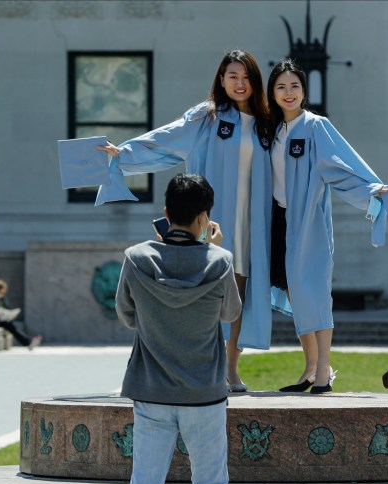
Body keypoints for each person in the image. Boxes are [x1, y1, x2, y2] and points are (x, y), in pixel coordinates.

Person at [97, 49, 273, 393]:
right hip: (211, 216)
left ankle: (231, 370)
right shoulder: (206, 117)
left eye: (246, 76)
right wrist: (126, 152)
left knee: (239, 291)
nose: (240, 83)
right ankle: (207, 367)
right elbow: (166, 137)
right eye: (232, 76)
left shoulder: (265, 122)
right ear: (221, 80)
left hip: (253, 219)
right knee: (209, 292)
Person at [115, 173, 241, 484]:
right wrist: (213, 246)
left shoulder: (135, 258)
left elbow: (127, 316)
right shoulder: (220, 261)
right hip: (205, 391)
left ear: (166, 214)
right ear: (204, 217)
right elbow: (229, 314)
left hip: (151, 389)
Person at [266, 59, 388, 393]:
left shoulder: (315, 126)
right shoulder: (273, 130)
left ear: (304, 90)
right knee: (295, 292)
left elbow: (341, 164)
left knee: (315, 291)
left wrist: (371, 189)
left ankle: (324, 371)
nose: (288, 93)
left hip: (308, 220)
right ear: (272, 93)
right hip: (277, 220)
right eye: (281, 87)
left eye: (294, 86)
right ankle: (310, 368)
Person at [0, 279, 41, 349]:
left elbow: (7, 309)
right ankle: (28, 342)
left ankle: (28, 341)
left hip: (2, 320)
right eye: (3, 290)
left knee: (10, 325)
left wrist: (11, 315)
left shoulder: (3, 298)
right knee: (11, 326)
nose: (4, 291)